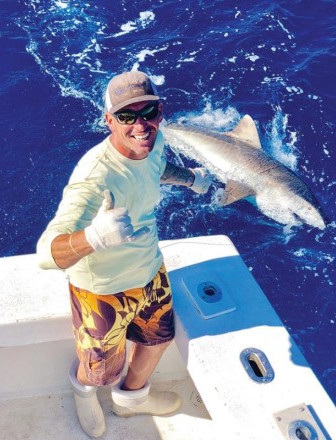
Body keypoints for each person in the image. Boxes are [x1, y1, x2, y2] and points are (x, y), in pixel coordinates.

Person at [36, 70, 212, 438]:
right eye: (127, 116)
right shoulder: (95, 176)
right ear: (109, 120)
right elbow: (46, 253)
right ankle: (84, 394)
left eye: (148, 111)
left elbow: (157, 166)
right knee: (100, 369)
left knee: (158, 339)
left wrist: (190, 178)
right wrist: (94, 238)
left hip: (150, 269)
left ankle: (130, 399)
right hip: (103, 290)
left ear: (160, 111)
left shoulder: (154, 138)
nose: (141, 125)